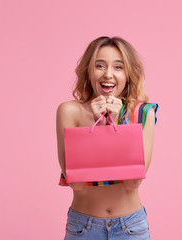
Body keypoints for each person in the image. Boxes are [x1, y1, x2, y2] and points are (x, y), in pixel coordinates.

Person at [56, 36, 158, 239]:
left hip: (131, 228)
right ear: (89, 71)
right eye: (100, 65)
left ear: (128, 74)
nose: (108, 74)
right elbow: (76, 183)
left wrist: (119, 124)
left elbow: (132, 183)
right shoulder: (69, 111)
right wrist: (98, 125)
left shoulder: (142, 113)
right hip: (83, 228)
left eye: (118, 67)